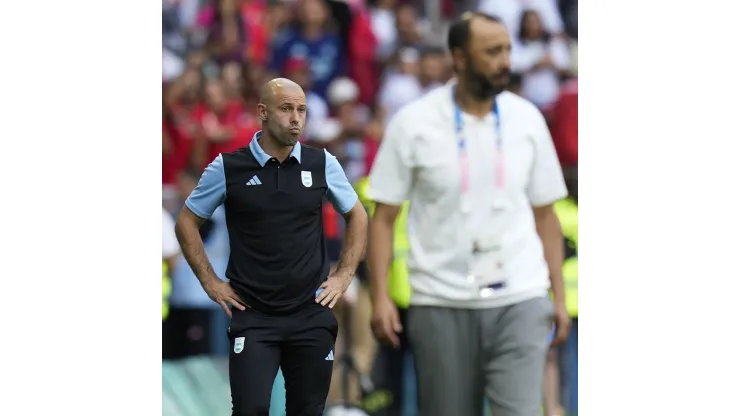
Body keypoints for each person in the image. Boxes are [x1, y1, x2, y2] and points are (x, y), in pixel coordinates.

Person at [367, 12, 570, 416]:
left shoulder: (527, 118)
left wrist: (558, 299)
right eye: (492, 52)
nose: (505, 61)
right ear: (459, 57)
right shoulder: (413, 123)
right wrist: (380, 298)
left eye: (508, 49)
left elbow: (546, 216)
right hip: (441, 300)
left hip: (520, 296)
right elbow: (383, 218)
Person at [175, 78, 368, 416]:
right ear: (263, 113)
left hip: (311, 314)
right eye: (286, 109)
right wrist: (211, 283)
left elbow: (358, 216)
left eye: (302, 110)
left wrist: (344, 275)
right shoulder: (228, 167)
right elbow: (186, 222)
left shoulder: (321, 163)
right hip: (254, 318)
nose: (296, 118)